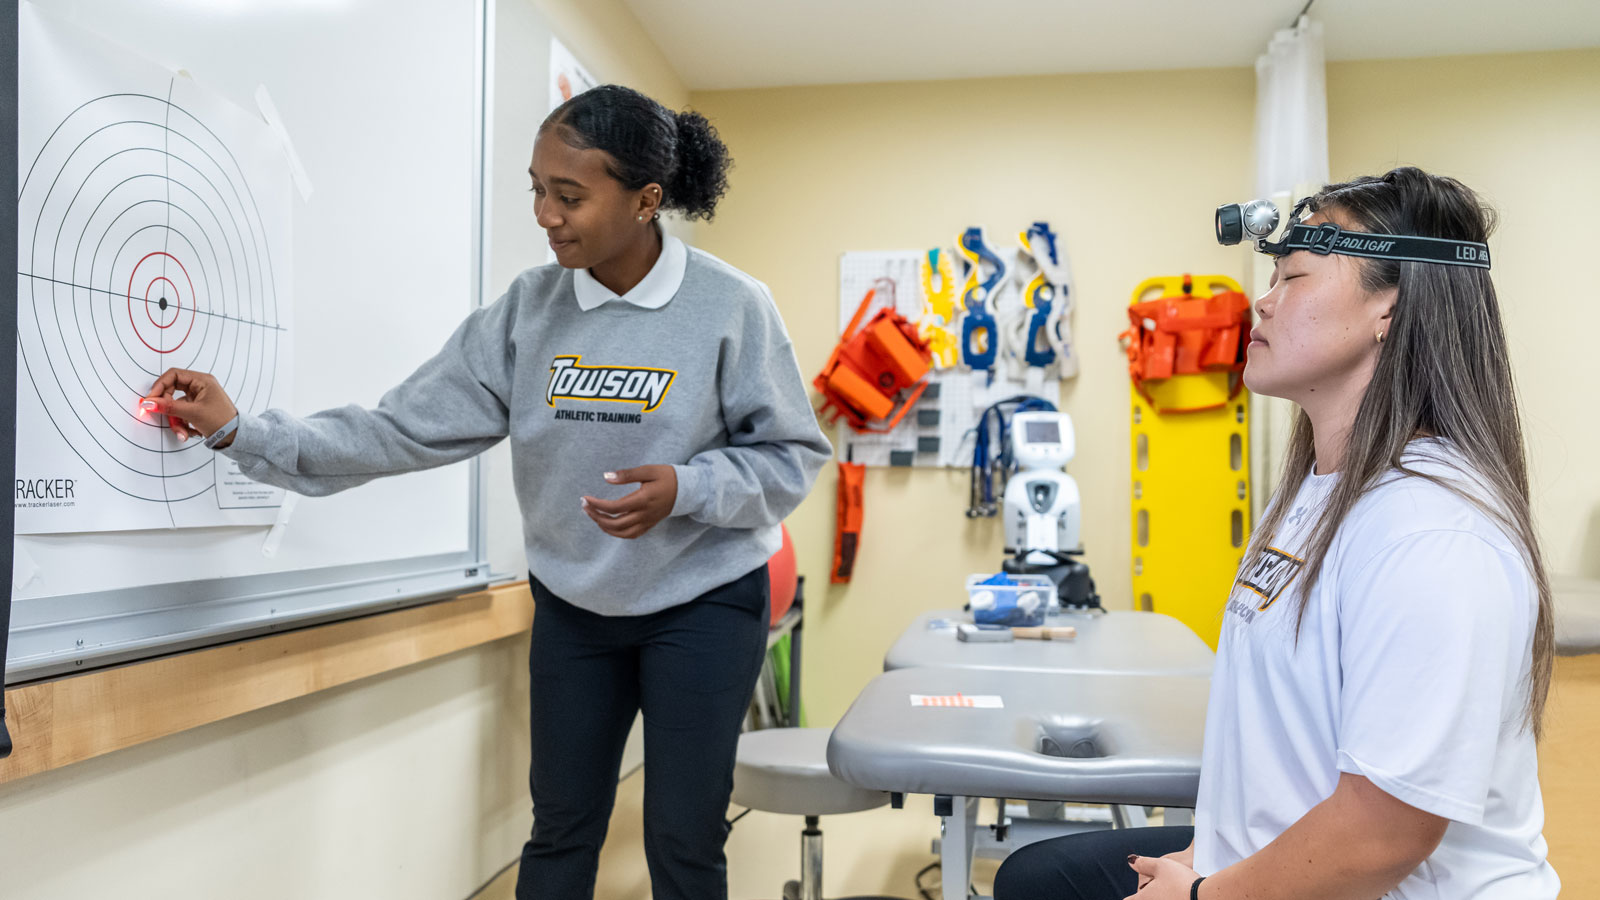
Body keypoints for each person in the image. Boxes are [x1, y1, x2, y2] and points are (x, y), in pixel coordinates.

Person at [144, 84, 830, 900]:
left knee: (682, 837)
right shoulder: (527, 312)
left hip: (703, 601)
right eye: (537, 189)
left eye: (569, 196)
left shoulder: (730, 306)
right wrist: (241, 431)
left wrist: (688, 486)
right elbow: (398, 428)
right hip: (576, 605)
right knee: (560, 828)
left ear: (647, 200)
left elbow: (791, 455)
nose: (545, 214)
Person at [993, 167, 1559, 899]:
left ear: (1390, 307)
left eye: (1293, 275)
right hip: (1284, 851)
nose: (1262, 300)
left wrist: (1201, 894)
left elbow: (1385, 833)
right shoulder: (1313, 493)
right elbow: (1274, 752)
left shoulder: (1435, 535)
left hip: (1380, 875)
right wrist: (1210, 849)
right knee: (1040, 879)